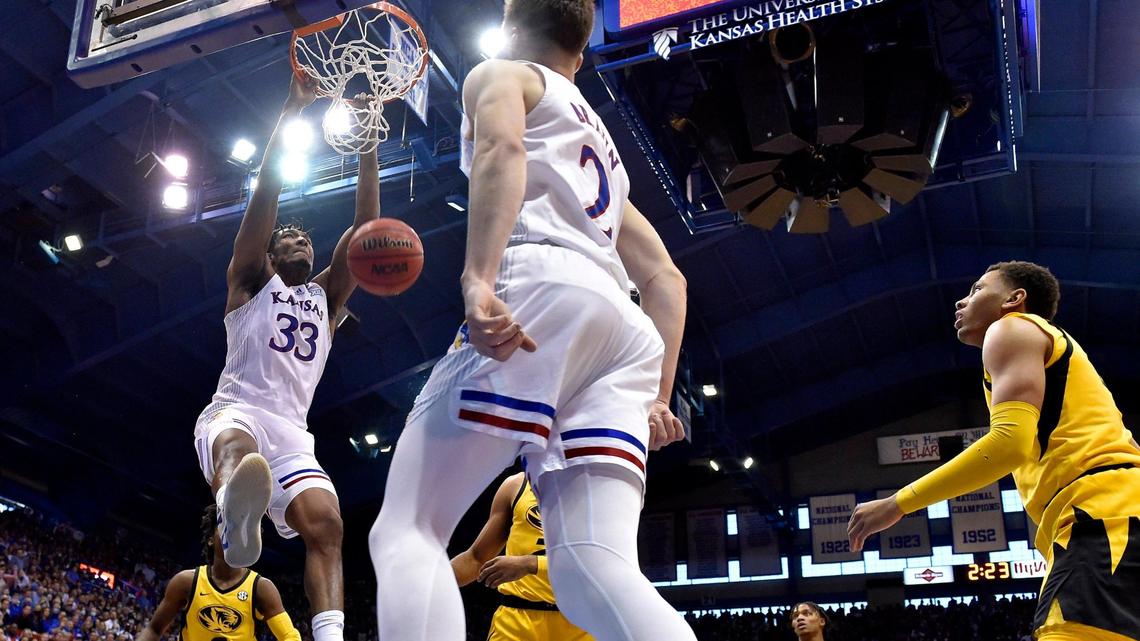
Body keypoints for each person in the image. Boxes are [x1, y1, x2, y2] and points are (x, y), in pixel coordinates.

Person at [368, 0, 695, 638]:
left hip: (547, 289)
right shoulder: (608, 161)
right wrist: (659, 397)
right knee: (593, 567)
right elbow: (666, 279)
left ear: (512, 22)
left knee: (409, 527)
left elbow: (502, 148)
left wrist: (478, 280)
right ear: (582, 49)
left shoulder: (501, 75)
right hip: (623, 332)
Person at [847, 261, 1140, 641]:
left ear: (1014, 299)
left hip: (1101, 524)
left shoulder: (1011, 328)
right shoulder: (1065, 364)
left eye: (977, 290)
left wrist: (898, 503)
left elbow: (1008, 445)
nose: (961, 302)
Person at [193, 76, 383, 641]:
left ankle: (328, 636)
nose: (300, 240)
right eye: (289, 238)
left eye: (306, 239)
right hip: (238, 409)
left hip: (294, 433)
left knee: (327, 524)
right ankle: (235, 514)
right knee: (237, 450)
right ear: (270, 253)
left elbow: (367, 231)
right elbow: (266, 193)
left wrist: (369, 144)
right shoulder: (251, 282)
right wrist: (292, 106)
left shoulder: (325, 300)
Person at [450, 472, 591, 641]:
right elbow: (476, 559)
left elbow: (604, 564)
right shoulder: (515, 485)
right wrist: (426, 585)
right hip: (516, 621)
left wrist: (531, 564)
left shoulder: (602, 487)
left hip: (582, 621)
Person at [135, 506, 300, 641]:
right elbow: (154, 629)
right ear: (210, 539)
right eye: (226, 526)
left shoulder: (261, 588)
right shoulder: (186, 582)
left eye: (238, 529)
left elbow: (289, 636)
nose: (232, 532)